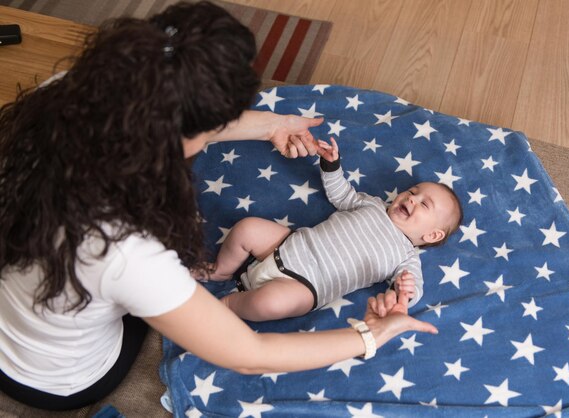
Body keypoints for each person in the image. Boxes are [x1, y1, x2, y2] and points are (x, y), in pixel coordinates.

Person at [0, 1, 438, 411]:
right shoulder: (125, 250)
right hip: (54, 379)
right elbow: (248, 354)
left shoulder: (63, 96)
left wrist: (274, 125)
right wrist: (370, 334)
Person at [193, 137, 463, 321]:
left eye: (424, 204)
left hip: (306, 286)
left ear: (432, 235)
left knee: (269, 304)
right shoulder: (373, 205)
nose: (411, 198)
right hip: (287, 245)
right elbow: (342, 195)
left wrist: (405, 291)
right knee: (248, 228)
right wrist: (331, 165)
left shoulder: (406, 256)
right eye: (413, 191)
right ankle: (221, 271)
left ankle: (226, 306)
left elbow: (412, 291)